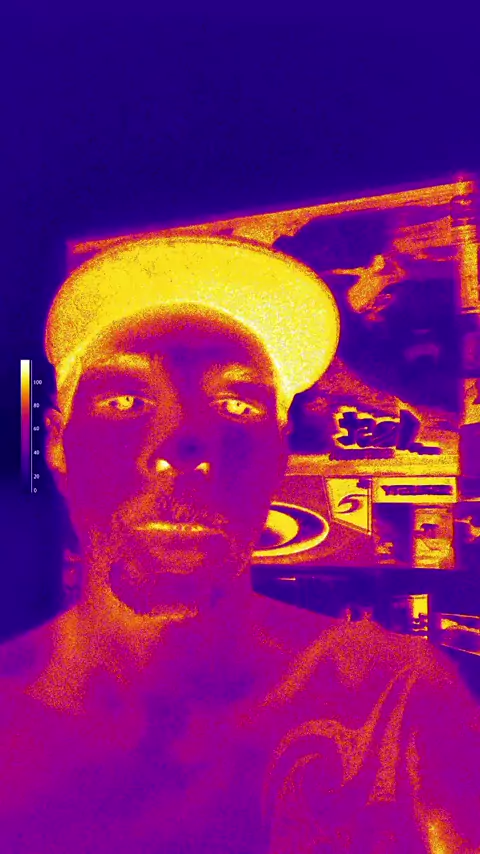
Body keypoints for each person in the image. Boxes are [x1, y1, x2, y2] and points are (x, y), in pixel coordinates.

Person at [1, 235, 479, 852]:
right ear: (57, 443)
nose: (181, 449)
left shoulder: (397, 701)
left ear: (281, 452)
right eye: (125, 401)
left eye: (236, 405)